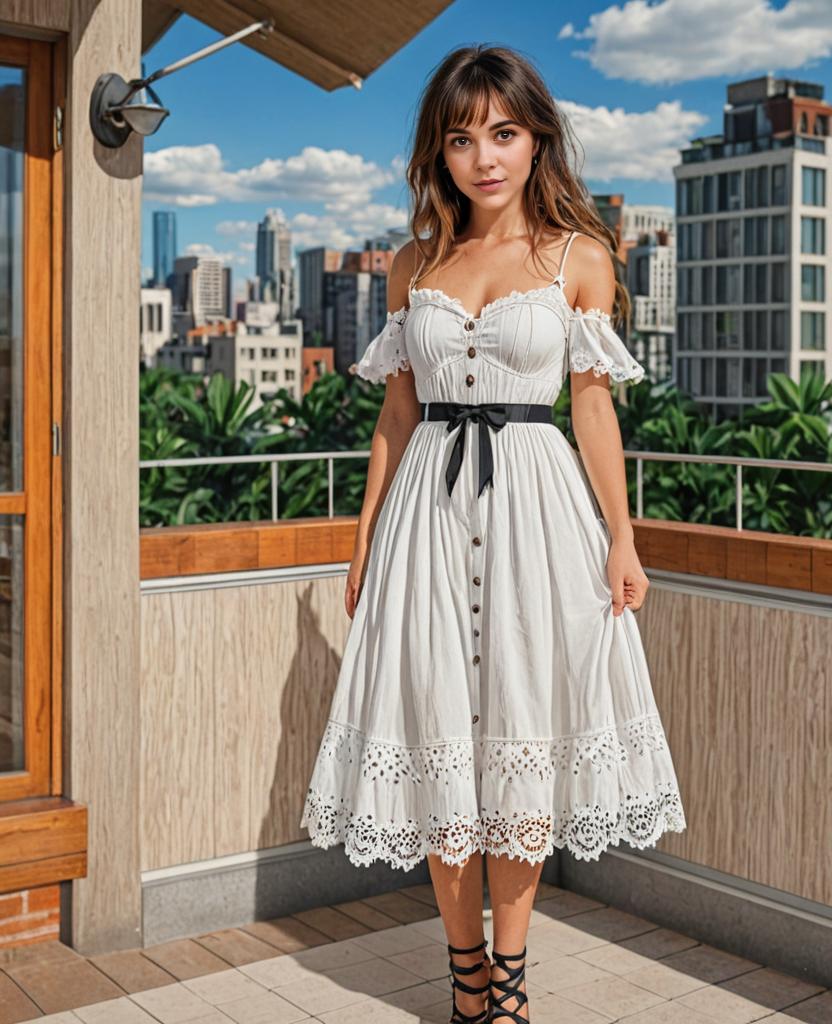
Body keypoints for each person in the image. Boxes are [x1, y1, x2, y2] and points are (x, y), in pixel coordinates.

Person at [301, 44, 687, 1023]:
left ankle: (506, 985)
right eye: (463, 135)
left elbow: (592, 410)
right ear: (440, 149)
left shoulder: (577, 258)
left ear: (536, 140)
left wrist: (622, 539)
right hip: (426, 516)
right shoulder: (414, 262)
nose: (484, 155)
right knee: (436, 744)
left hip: (535, 511)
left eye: (504, 133)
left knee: (521, 747)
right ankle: (462, 975)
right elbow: (397, 411)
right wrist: (363, 538)